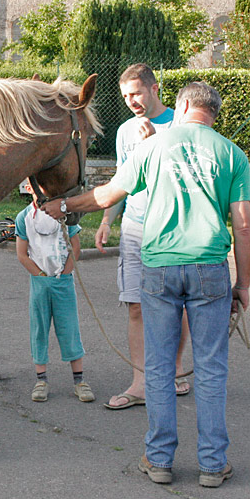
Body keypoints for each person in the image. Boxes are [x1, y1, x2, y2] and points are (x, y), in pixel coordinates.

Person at [43, 82, 250, 488]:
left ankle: (159, 459)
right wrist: (243, 284)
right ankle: (213, 464)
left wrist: (64, 205)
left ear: (183, 106)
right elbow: (243, 226)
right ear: (213, 112)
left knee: (158, 366)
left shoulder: (152, 148)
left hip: (158, 267)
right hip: (209, 266)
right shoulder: (232, 153)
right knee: (211, 367)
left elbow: (107, 196)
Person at [96, 63, 190, 410]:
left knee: (174, 304)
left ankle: (176, 369)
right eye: (125, 96)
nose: (131, 101)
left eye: (136, 93)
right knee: (135, 305)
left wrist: (156, 145)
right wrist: (108, 220)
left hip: (172, 226)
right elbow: (123, 179)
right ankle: (140, 383)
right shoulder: (124, 131)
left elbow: (185, 178)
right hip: (135, 226)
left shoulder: (181, 125)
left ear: (154, 89)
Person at [15, 180, 94, 404]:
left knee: (69, 327)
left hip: (63, 281)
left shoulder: (64, 213)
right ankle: (41, 380)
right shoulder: (24, 218)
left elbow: (75, 247)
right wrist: (40, 275)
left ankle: (79, 381)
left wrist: (65, 273)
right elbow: (22, 254)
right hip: (40, 283)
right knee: (39, 328)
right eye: (35, 187)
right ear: (28, 189)